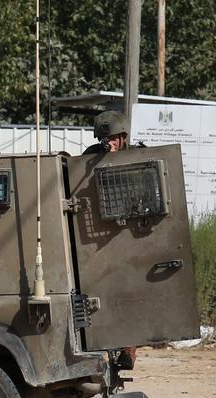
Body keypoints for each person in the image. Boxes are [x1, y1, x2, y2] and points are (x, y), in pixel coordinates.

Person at [82, 110, 137, 371]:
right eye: (106, 138)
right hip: (95, 235)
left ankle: (128, 350)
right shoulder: (90, 157)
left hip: (126, 233)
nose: (110, 142)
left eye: (114, 138)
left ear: (124, 137)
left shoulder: (136, 155)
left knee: (127, 294)